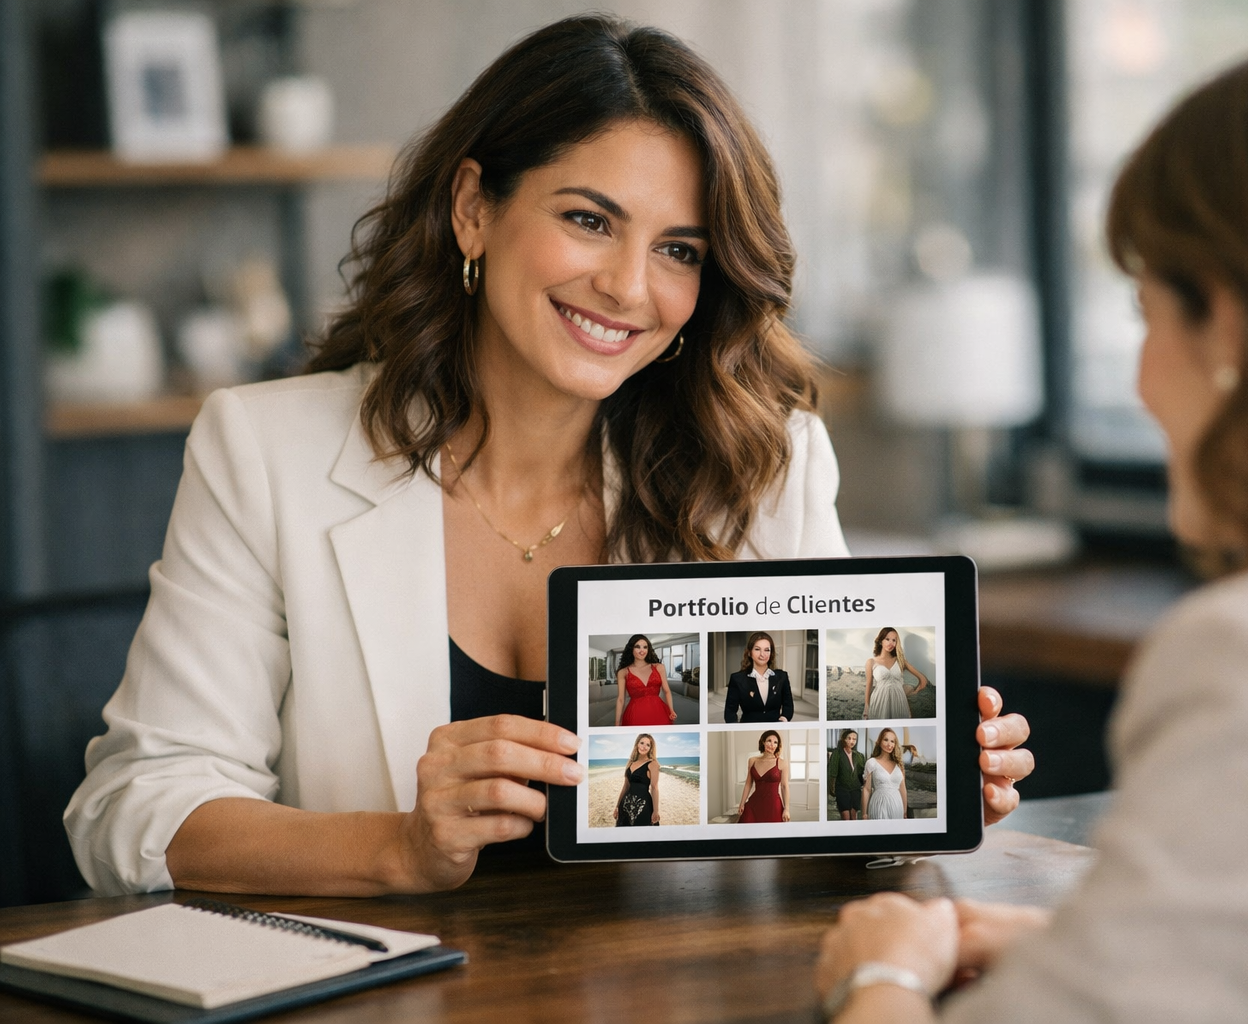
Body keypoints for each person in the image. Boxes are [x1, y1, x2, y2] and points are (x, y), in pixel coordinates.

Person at [63, 15, 1033, 899]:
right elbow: (133, 809)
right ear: (475, 208)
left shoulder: (766, 465)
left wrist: (914, 796)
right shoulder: (263, 449)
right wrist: (397, 846)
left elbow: (816, 814)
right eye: (589, 220)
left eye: (681, 251)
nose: (627, 286)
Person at [814, 24, 1248, 1023]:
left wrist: (881, 970)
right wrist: (1101, 945)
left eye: (1144, 311)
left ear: (1231, 325)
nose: (1144, 379)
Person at [723, 632, 795, 723]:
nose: (762, 654)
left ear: (771, 653)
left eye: (767, 650)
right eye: (757, 649)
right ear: (749, 652)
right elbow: (730, 711)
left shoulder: (782, 677)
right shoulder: (737, 679)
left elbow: (788, 704)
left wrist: (785, 718)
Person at [862, 628, 929, 719]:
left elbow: (923, 680)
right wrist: (866, 708)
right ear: (881, 641)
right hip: (879, 702)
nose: (891, 643)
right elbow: (868, 685)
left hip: (899, 703)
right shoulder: (871, 662)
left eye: (894, 640)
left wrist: (914, 692)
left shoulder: (900, 661)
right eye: (887, 639)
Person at [615, 635, 676, 726]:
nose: (642, 650)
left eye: (645, 647)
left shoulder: (659, 667)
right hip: (635, 714)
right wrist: (617, 722)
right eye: (637, 647)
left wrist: (671, 710)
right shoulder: (623, 672)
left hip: (659, 712)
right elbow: (620, 699)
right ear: (631, 649)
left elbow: (666, 691)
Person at [736, 731, 790, 823]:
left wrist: (786, 809)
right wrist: (742, 803)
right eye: (769, 740)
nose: (772, 744)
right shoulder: (752, 760)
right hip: (754, 805)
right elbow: (748, 783)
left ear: (778, 745)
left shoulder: (782, 763)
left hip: (773, 806)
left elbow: (784, 786)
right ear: (763, 742)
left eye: (775, 742)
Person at [612, 734, 660, 827]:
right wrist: (617, 806)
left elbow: (654, 788)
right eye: (642, 743)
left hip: (643, 806)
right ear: (637, 744)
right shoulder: (630, 763)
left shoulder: (653, 764)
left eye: (648, 745)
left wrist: (655, 811)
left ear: (651, 748)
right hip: (625, 807)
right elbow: (626, 786)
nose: (644, 747)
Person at [860, 728, 906, 821]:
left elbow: (903, 789)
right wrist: (864, 814)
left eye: (892, 741)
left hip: (897, 805)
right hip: (879, 804)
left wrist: (905, 812)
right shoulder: (871, 762)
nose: (889, 744)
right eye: (886, 740)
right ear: (879, 741)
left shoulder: (899, 765)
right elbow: (867, 789)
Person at [827, 729, 865, 821]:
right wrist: (833, 790)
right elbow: (833, 772)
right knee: (846, 817)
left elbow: (862, 772)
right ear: (844, 739)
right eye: (849, 738)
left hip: (855, 789)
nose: (852, 741)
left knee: (854, 816)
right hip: (842, 789)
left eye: (854, 739)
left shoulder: (859, 755)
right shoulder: (837, 753)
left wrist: (863, 784)